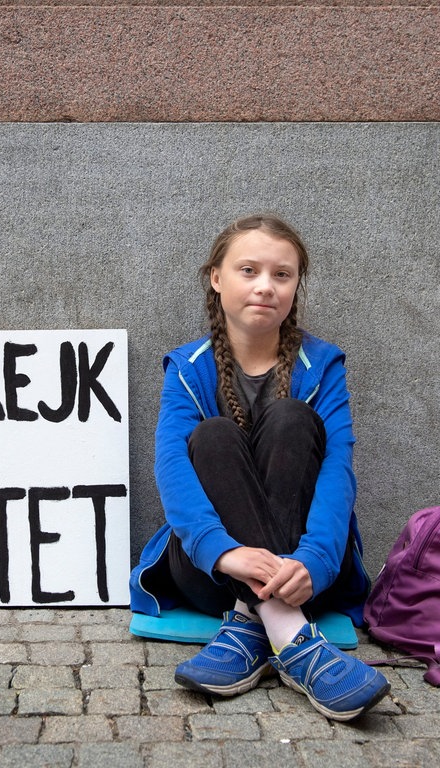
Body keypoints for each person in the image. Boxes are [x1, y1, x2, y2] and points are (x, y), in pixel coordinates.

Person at [129, 213, 390, 721]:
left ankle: (252, 624)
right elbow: (171, 470)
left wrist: (315, 559)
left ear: (296, 285)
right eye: (248, 270)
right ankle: (294, 639)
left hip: (303, 574)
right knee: (212, 435)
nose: (265, 286)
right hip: (212, 571)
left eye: (282, 274)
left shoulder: (323, 365)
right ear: (217, 277)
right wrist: (224, 553)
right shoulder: (187, 368)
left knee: (292, 417)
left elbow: (339, 471)